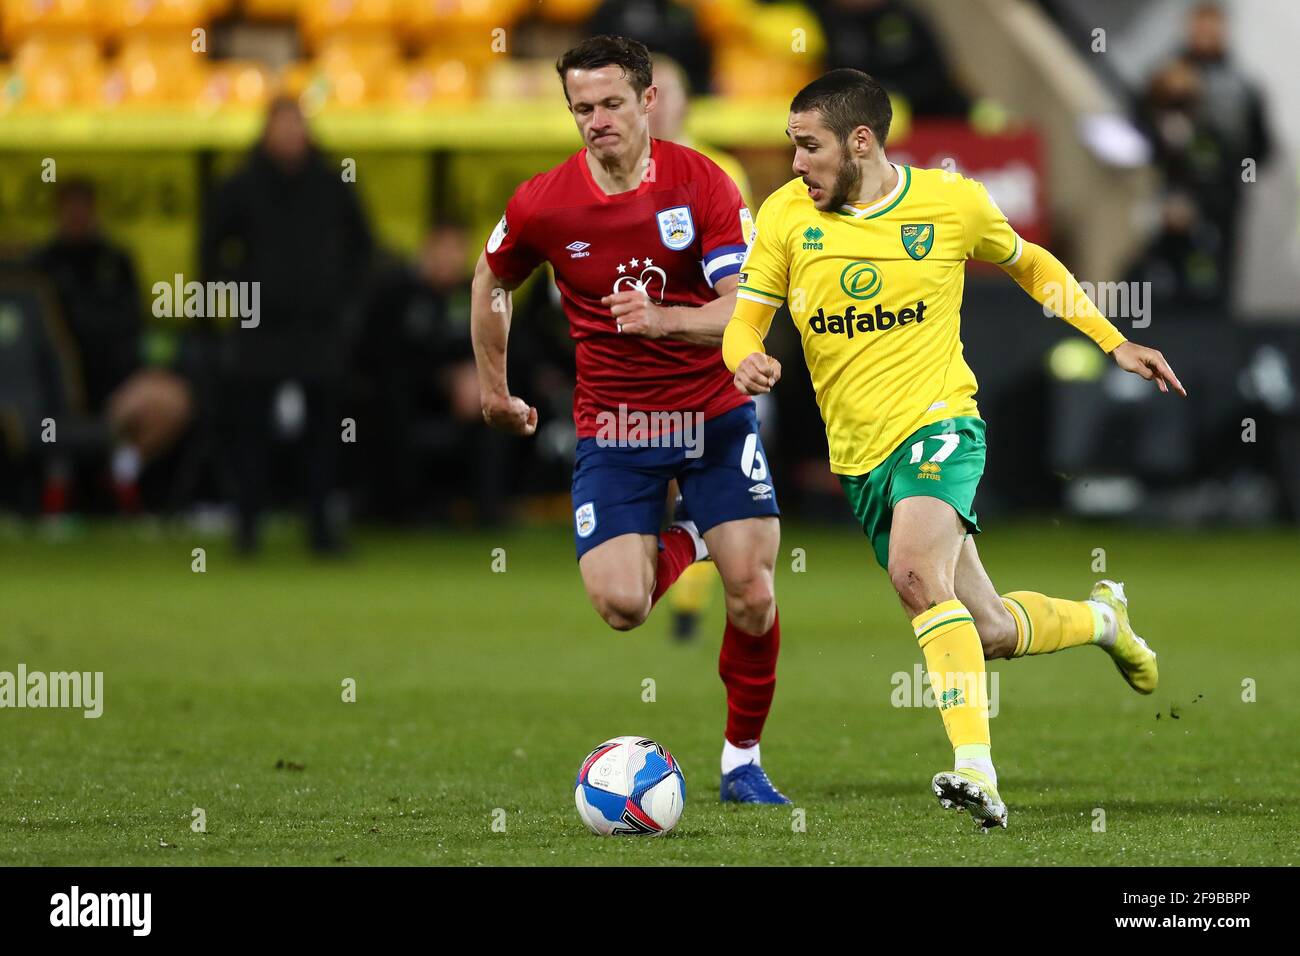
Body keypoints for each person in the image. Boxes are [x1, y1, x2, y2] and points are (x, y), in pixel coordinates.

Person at [723, 69, 1184, 829]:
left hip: (942, 426)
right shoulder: (782, 217)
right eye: (792, 147)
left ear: (860, 141)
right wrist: (742, 355)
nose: (796, 162)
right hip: (861, 458)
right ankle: (1106, 621)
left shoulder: (950, 202)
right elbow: (746, 319)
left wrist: (1112, 340)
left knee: (913, 572)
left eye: (808, 147)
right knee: (992, 628)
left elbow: (1030, 263)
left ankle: (978, 774)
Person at [471, 35, 790, 805]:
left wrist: (663, 320)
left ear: (649, 101)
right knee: (622, 607)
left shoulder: (704, 183)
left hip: (712, 416)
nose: (597, 120)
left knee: (751, 591)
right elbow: (493, 278)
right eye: (582, 107)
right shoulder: (543, 203)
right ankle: (692, 537)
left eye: (612, 103)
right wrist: (493, 388)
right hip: (617, 428)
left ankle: (741, 761)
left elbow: (742, 312)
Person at [201, 96, 373, 554]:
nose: (289, 136)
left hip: (318, 330)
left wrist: (345, 307)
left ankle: (321, 530)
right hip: (260, 331)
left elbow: (363, 249)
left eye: (296, 126)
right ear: (266, 132)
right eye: (281, 127)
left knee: (324, 436)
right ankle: (247, 529)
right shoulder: (241, 186)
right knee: (250, 434)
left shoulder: (332, 185)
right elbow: (210, 253)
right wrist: (239, 299)